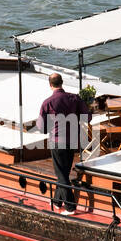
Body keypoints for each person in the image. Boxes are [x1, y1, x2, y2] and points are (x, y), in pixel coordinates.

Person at [36, 73, 90, 215]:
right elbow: (87, 117)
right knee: (64, 172)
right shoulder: (74, 98)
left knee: (61, 174)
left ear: (50, 85)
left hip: (57, 141)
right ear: (62, 82)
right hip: (72, 141)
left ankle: (70, 207)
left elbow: (41, 128)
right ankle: (56, 201)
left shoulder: (47, 102)